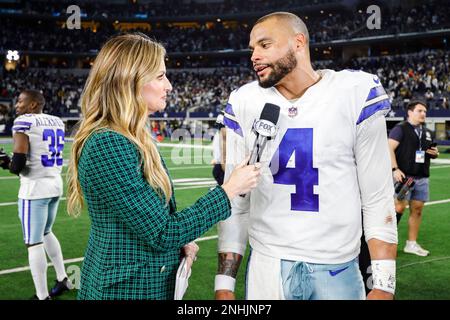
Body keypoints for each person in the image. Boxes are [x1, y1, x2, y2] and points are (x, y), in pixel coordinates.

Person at [215, 12, 398, 300]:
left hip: (337, 265)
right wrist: (224, 285)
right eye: (252, 48)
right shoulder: (244, 100)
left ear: (298, 43)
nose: (254, 56)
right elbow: (236, 201)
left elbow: (377, 194)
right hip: (267, 263)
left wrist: (384, 283)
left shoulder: (354, 91)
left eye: (264, 44)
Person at [66, 33, 260, 300]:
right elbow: (162, 232)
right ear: (130, 80)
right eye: (160, 76)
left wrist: (177, 245)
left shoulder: (131, 137)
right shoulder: (108, 144)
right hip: (124, 291)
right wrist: (228, 190)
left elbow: (146, 224)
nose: (168, 85)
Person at [0, 89, 73, 300]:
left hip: (34, 190)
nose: (16, 106)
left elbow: (18, 165)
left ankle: (42, 296)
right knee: (46, 232)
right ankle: (63, 279)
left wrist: (6, 162)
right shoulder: (56, 121)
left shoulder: (24, 122)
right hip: (54, 185)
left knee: (33, 242)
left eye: (21, 101)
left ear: (33, 104)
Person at [388, 100, 439, 256]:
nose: (423, 113)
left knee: (417, 210)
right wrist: (394, 169)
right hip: (404, 177)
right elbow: (388, 147)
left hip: (422, 177)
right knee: (398, 208)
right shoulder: (400, 128)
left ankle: (411, 244)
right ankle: (388, 243)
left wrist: (435, 154)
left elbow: (431, 152)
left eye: (424, 111)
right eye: (419, 110)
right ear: (410, 112)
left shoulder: (428, 132)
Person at [211, 113, 226, 185]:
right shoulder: (222, 136)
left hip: (218, 166)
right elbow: (223, 151)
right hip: (222, 167)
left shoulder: (217, 134)